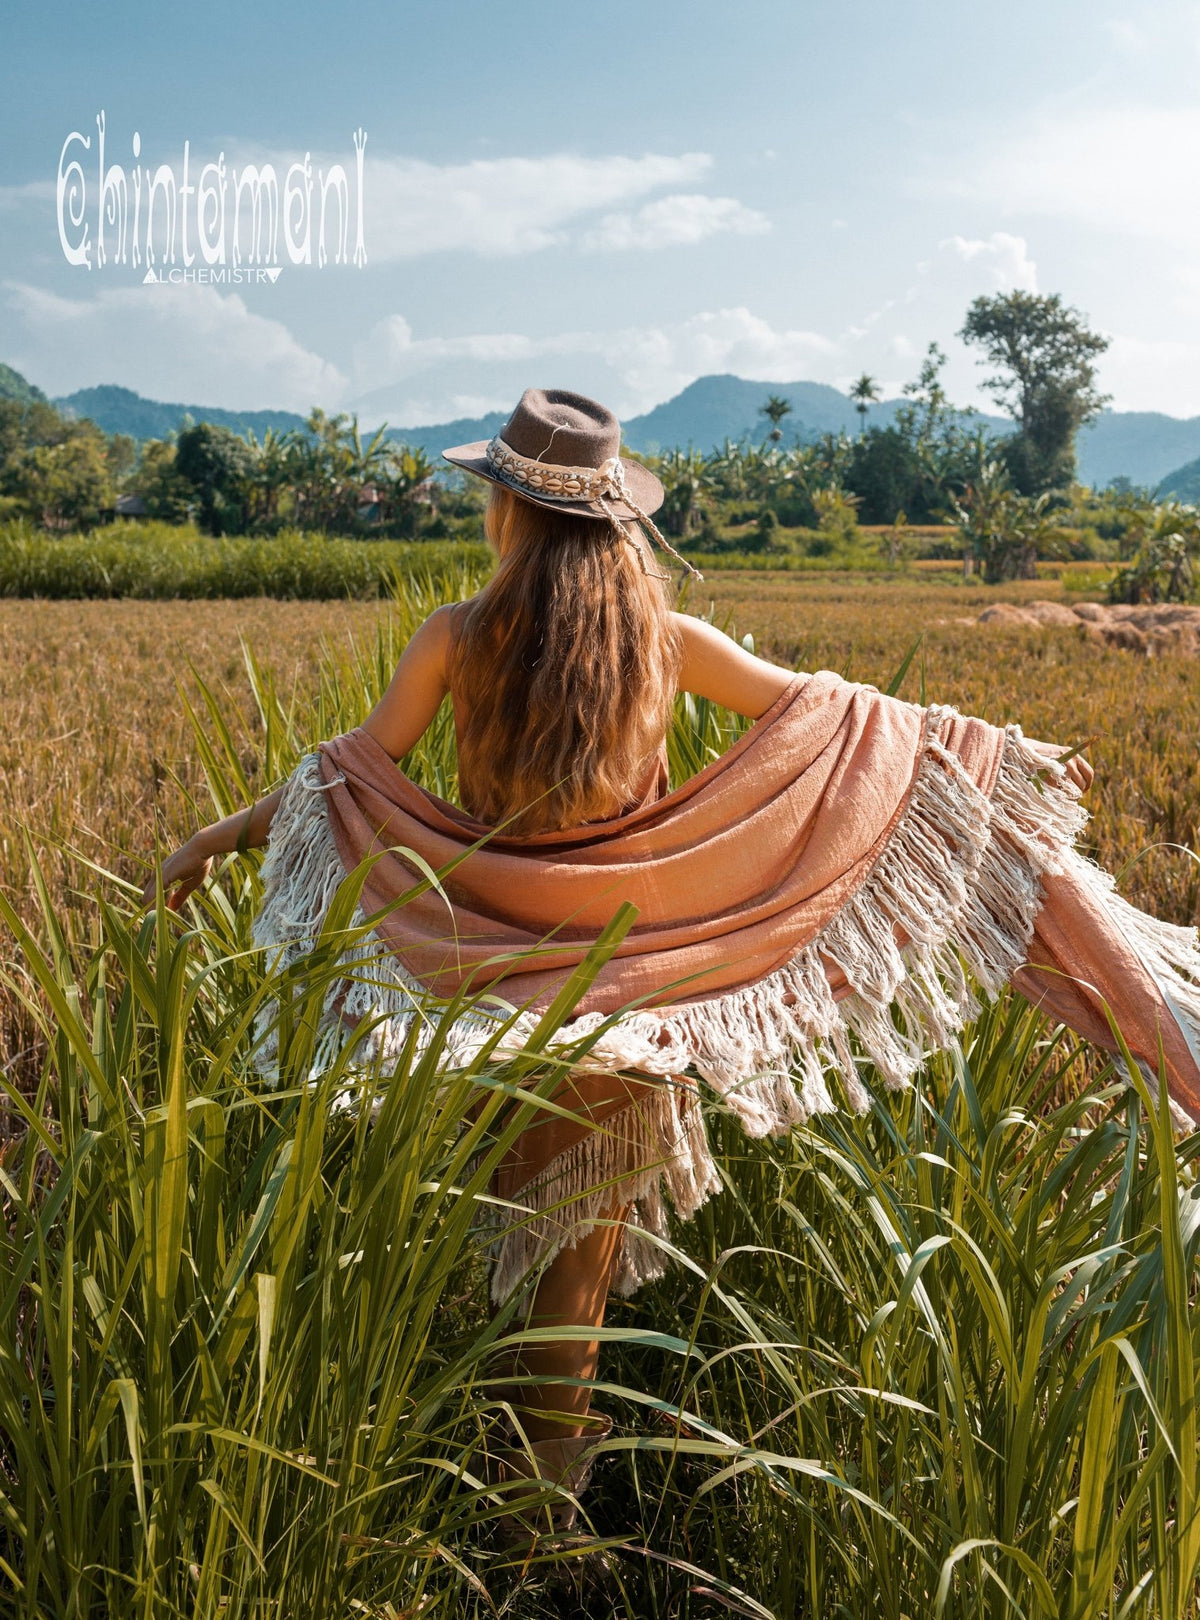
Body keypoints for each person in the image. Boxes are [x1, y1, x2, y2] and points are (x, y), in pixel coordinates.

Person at [145, 387, 1200, 1543]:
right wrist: (978, 755)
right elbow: (840, 722)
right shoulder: (665, 639)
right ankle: (544, 1513)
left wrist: (210, 840)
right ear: (610, 523)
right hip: (633, 985)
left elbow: (338, 781)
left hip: (488, 979)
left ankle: (496, 1498)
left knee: (509, 1224)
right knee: (574, 1258)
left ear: (509, 509)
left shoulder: (455, 639)